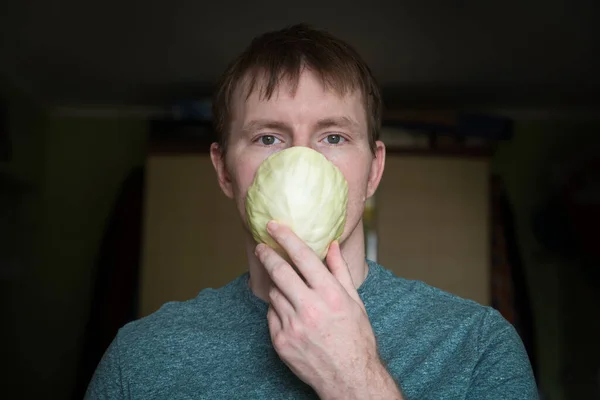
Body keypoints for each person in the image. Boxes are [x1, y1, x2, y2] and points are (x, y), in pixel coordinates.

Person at [85, 24, 538, 399]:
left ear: (374, 169)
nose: (302, 162)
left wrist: (355, 380)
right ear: (224, 171)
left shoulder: (478, 345)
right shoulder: (141, 360)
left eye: (334, 138)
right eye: (268, 138)